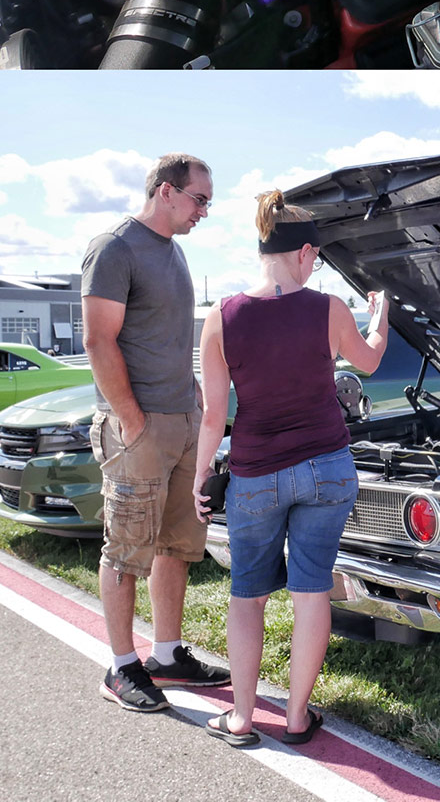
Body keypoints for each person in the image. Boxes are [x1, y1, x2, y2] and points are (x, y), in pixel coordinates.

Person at [193, 189, 389, 748]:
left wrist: (199, 477)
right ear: (304, 253)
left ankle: (241, 719)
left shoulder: (222, 317)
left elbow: (213, 414)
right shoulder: (327, 309)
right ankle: (299, 717)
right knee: (311, 594)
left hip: (255, 475)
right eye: (318, 257)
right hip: (327, 467)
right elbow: (370, 361)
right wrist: (381, 316)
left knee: (246, 596)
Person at [82, 152, 228, 714]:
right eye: (199, 199)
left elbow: (164, 335)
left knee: (176, 545)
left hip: (183, 422)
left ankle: (166, 655)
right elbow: (99, 340)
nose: (204, 212)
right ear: (166, 192)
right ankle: (121, 667)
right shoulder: (114, 247)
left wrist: (192, 392)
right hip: (136, 428)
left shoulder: (175, 252)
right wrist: (131, 417)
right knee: (125, 549)